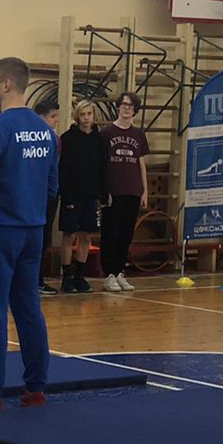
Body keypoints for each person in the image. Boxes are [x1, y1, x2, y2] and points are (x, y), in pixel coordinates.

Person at [0, 57, 59, 411]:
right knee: (28, 307)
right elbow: (52, 187)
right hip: (33, 229)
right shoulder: (45, 131)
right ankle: (36, 387)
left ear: (7, 84)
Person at [100, 91, 149, 292]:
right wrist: (104, 190)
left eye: (130, 105)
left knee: (126, 234)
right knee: (110, 233)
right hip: (114, 191)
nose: (127, 108)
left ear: (135, 110)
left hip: (133, 190)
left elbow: (141, 163)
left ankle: (120, 271)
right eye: (124, 104)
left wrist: (145, 190)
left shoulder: (139, 134)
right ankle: (109, 274)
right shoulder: (106, 133)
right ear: (118, 106)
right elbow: (102, 164)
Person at [57, 101, 108, 294]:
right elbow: (64, 169)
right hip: (73, 195)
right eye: (83, 114)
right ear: (77, 116)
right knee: (69, 234)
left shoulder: (100, 140)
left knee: (86, 235)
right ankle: (67, 276)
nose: (86, 118)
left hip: (91, 195)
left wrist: (104, 194)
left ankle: (80, 276)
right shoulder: (68, 138)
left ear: (94, 116)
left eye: (89, 114)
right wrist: (67, 196)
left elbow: (103, 167)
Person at [36, 100, 61, 295]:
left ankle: (38, 279)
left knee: (43, 239)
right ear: (41, 117)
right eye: (53, 117)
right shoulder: (36, 137)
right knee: (35, 239)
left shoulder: (53, 137)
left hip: (48, 195)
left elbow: (54, 168)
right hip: (37, 196)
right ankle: (31, 280)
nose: (56, 121)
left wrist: (53, 193)